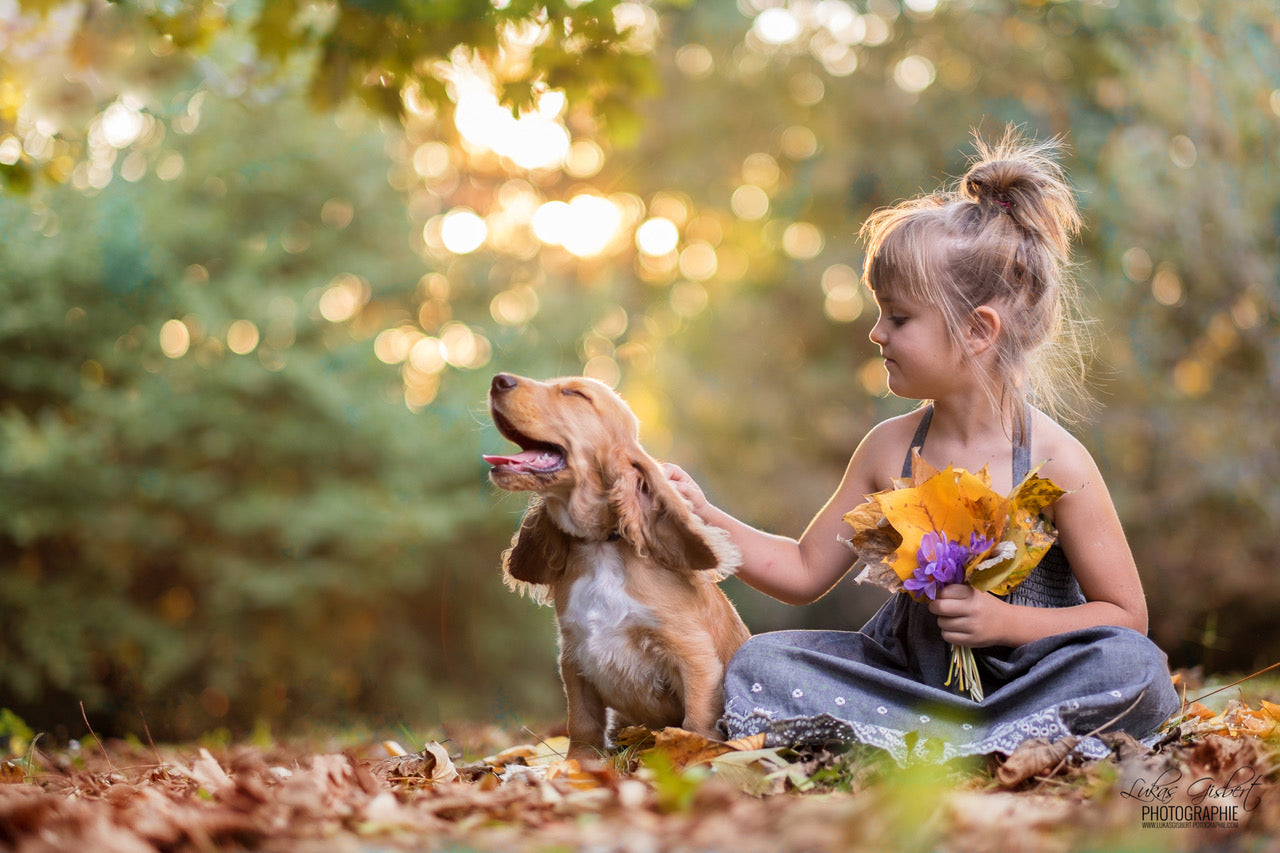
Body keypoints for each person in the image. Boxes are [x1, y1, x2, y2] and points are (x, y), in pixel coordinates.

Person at [665, 129, 1180, 764]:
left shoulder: (1055, 464)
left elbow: (1126, 615)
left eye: (898, 317)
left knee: (1133, 666)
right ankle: (955, 741)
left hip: (1034, 684)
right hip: (905, 683)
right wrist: (700, 516)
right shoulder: (889, 452)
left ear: (977, 329)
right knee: (760, 661)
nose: (876, 332)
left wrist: (1008, 623)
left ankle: (974, 739)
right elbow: (801, 572)